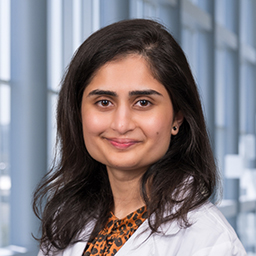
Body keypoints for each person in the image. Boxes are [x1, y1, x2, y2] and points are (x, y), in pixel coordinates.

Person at [34, 19, 247, 256]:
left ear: (177, 118)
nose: (121, 124)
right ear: (77, 113)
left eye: (143, 103)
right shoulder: (66, 220)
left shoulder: (209, 240)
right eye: (104, 102)